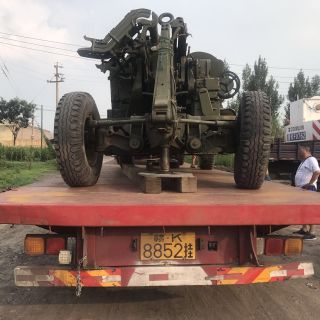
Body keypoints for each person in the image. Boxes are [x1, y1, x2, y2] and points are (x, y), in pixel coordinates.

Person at [293, 143, 320, 240]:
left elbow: (317, 172)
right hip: (302, 189)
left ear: (306, 150)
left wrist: (310, 184)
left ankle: (312, 233)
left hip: (308, 189)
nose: (298, 151)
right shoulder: (304, 161)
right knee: (303, 210)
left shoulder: (311, 160)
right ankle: (304, 229)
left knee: (310, 210)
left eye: (300, 149)